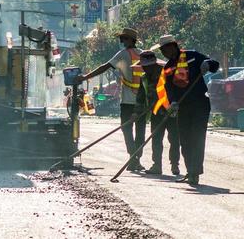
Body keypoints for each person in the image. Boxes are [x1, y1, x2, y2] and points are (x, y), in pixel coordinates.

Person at [151, 35, 219, 186]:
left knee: (197, 137)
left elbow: (215, 65)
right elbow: (169, 88)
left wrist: (208, 63)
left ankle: (195, 172)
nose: (164, 53)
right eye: (161, 50)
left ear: (173, 46)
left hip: (200, 103)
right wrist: (173, 102)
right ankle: (190, 170)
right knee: (185, 140)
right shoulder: (167, 68)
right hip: (182, 106)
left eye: (165, 49)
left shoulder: (193, 56)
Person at [75, 27, 145, 171]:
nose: (121, 41)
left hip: (127, 101)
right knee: (140, 131)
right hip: (143, 101)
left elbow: (104, 67)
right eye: (121, 38)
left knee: (127, 129)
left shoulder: (123, 54)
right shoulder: (144, 55)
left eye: (124, 38)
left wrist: (85, 77)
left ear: (131, 40)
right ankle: (136, 158)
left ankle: (133, 158)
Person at [132, 50, 180, 176]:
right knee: (156, 139)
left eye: (146, 66)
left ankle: (175, 164)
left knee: (174, 139)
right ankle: (157, 165)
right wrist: (137, 113)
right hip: (156, 113)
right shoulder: (144, 78)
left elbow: (175, 90)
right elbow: (140, 97)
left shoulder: (167, 74)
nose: (144, 69)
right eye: (143, 66)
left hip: (171, 112)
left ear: (153, 65)